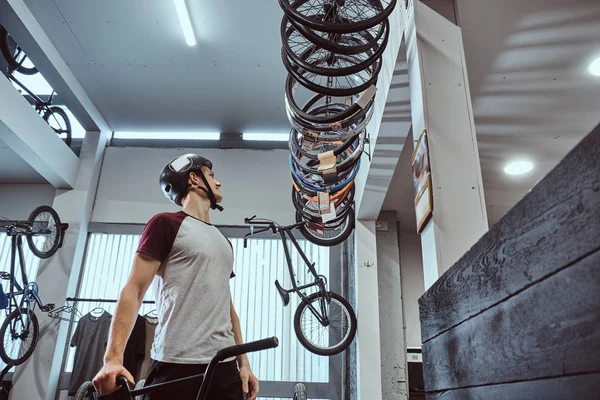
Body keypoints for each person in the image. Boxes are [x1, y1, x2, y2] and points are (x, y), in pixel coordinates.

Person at [92, 154, 259, 400]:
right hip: (175, 364)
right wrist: (112, 359)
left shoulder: (224, 242)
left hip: (223, 365)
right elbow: (134, 289)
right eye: (211, 176)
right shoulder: (165, 224)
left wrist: (244, 364)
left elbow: (228, 307)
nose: (218, 183)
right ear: (194, 178)